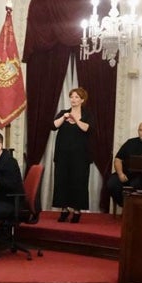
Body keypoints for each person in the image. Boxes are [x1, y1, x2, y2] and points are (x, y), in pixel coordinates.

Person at [51, 87, 92, 223]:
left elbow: (87, 128)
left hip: (81, 156)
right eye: (72, 97)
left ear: (82, 100)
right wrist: (64, 117)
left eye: (76, 97)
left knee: (78, 182)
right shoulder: (64, 113)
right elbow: (53, 126)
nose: (73, 99)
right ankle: (64, 210)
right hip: (63, 154)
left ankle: (77, 210)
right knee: (62, 181)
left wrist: (76, 119)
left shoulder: (87, 114)